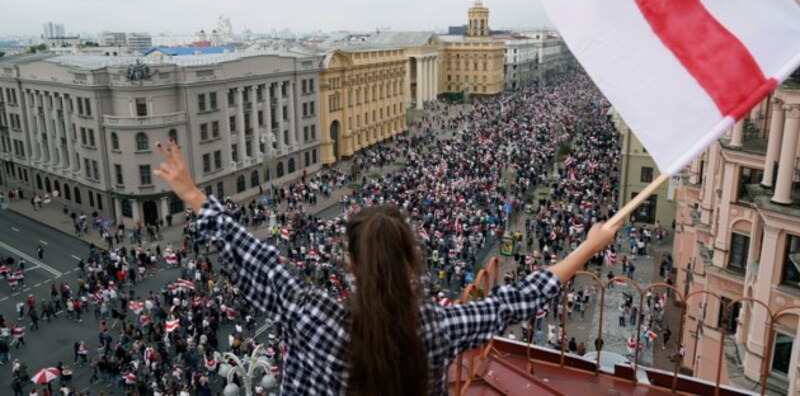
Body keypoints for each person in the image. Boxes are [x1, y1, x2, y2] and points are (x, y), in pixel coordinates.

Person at [153, 136, 620, 394]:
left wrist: (193, 194)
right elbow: (514, 302)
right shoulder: (435, 327)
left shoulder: (310, 312)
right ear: (410, 260)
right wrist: (587, 246)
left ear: (351, 265)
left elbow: (254, 257)